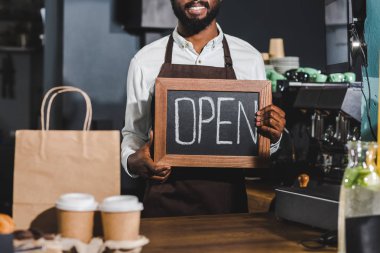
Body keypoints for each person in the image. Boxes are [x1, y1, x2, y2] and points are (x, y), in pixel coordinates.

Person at [121, 0, 286, 217]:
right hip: (163, 207)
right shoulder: (144, 60)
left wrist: (272, 137)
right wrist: (133, 161)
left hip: (228, 209)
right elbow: (134, 134)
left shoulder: (249, 58)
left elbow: (257, 144)